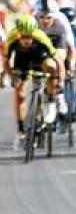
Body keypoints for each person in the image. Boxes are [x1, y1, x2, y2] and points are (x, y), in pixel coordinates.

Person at [3, 14, 60, 149]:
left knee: (51, 67)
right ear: (19, 33)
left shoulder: (40, 36)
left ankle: (49, 100)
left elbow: (57, 60)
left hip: (39, 58)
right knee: (20, 93)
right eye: (23, 37)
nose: (26, 40)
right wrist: (12, 76)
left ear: (33, 33)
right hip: (22, 60)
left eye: (29, 37)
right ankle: (21, 128)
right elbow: (6, 61)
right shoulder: (12, 37)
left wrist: (59, 81)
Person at [34, 0, 76, 116]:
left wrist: (72, 63)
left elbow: (71, 47)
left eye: (49, 17)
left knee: (56, 61)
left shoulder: (61, 21)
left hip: (57, 41)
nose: (45, 21)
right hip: (40, 43)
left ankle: (58, 94)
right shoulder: (32, 20)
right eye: (41, 17)